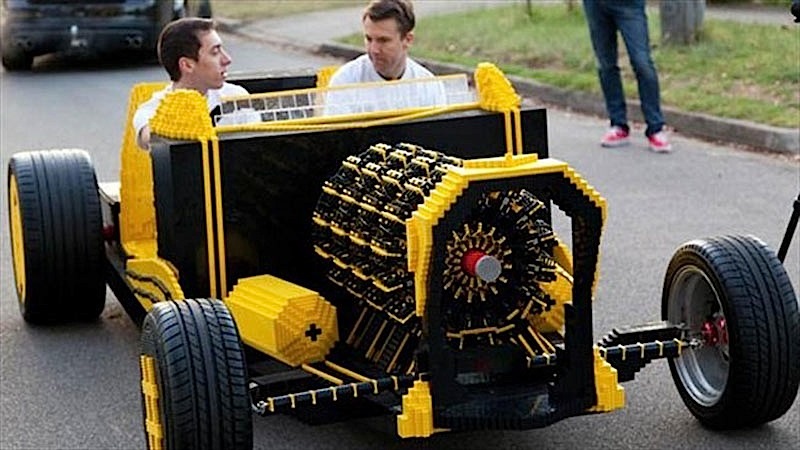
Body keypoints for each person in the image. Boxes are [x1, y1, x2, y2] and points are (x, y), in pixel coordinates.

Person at [132, 17, 248, 149]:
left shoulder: (236, 97)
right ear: (187, 65)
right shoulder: (153, 112)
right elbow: (152, 138)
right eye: (215, 52)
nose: (227, 59)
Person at [324, 0, 445, 115]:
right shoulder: (345, 81)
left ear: (407, 40)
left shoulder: (429, 86)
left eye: (383, 40)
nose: (374, 49)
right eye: (369, 39)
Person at [582, 0, 671, 153]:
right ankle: (618, 124)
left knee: (642, 62)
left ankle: (655, 128)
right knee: (606, 64)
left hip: (629, 5)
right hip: (595, 5)